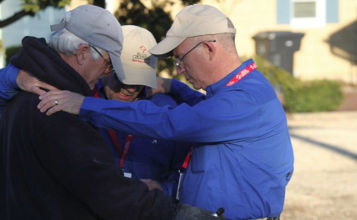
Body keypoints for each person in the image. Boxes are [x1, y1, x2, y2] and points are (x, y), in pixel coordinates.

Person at [3, 4, 293, 219]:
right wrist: (172, 87)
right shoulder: (232, 94)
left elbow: (171, 123)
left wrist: (83, 104)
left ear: (208, 48)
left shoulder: (245, 99)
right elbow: (204, 111)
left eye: (180, 59)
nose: (179, 70)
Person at [93, 25, 191, 197]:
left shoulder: (167, 110)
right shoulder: (81, 99)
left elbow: (185, 178)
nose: (130, 89)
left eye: (138, 80)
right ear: (107, 67)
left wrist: (162, 189)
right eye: (123, 79)